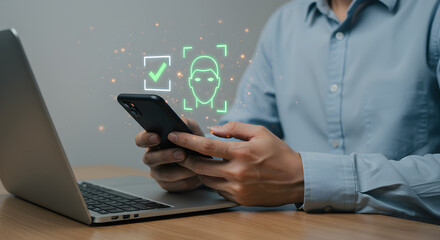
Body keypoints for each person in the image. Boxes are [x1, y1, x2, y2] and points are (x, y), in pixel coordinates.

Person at [136, 0, 440, 223]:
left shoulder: (432, 12)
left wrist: (306, 178)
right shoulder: (283, 24)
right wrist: (203, 165)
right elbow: (243, 134)